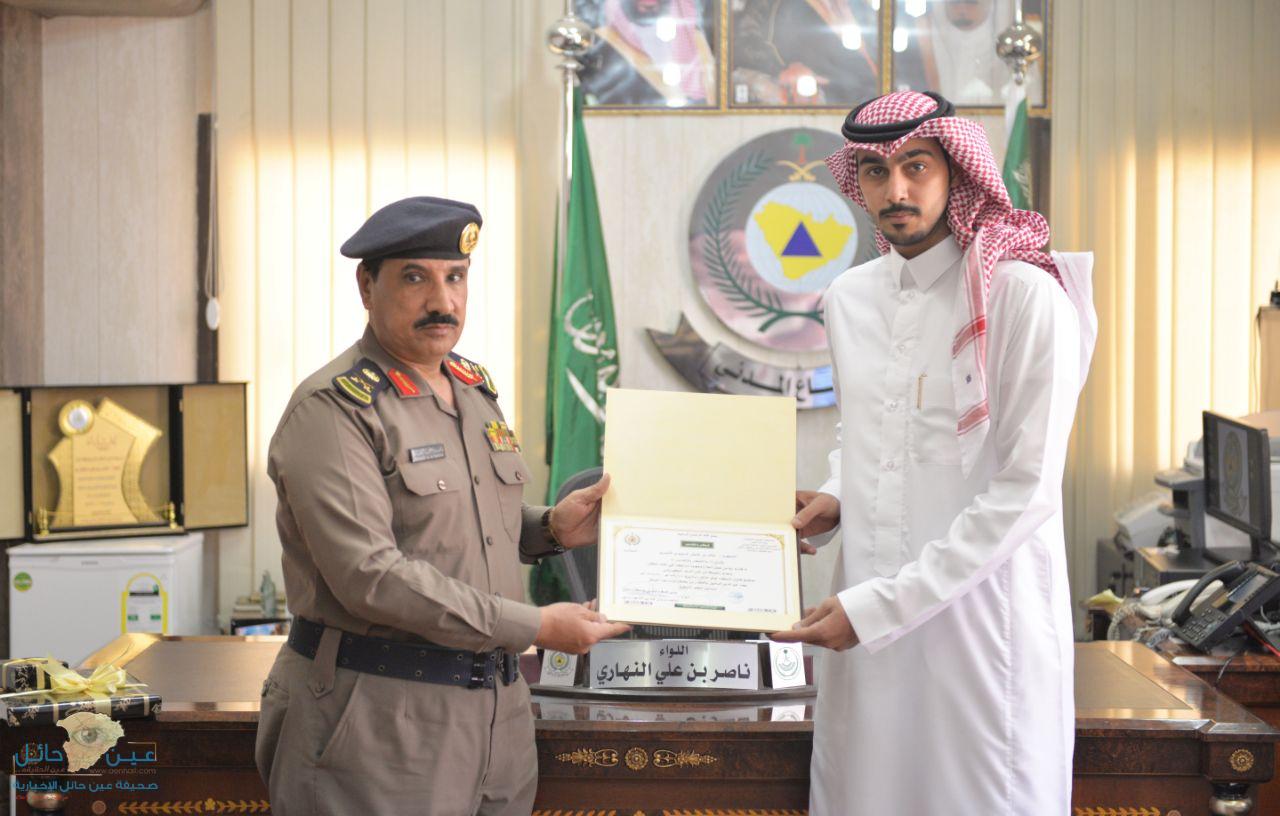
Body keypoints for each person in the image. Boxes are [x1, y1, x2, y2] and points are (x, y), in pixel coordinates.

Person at [774, 91, 1096, 813]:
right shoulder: (849, 297)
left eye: (916, 166)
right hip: (864, 619)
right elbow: (867, 429)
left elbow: (1026, 490)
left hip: (981, 631)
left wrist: (882, 608)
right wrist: (838, 493)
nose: (896, 190)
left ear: (956, 170)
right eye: (875, 171)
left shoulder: (1024, 297)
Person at [254, 196, 630, 815]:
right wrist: (535, 627)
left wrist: (550, 529)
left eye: (455, 277)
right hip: (378, 721)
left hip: (498, 722)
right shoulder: (333, 409)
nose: (442, 301)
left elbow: (463, 526)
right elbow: (370, 577)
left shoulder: (471, 388)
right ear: (366, 286)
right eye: (415, 278)